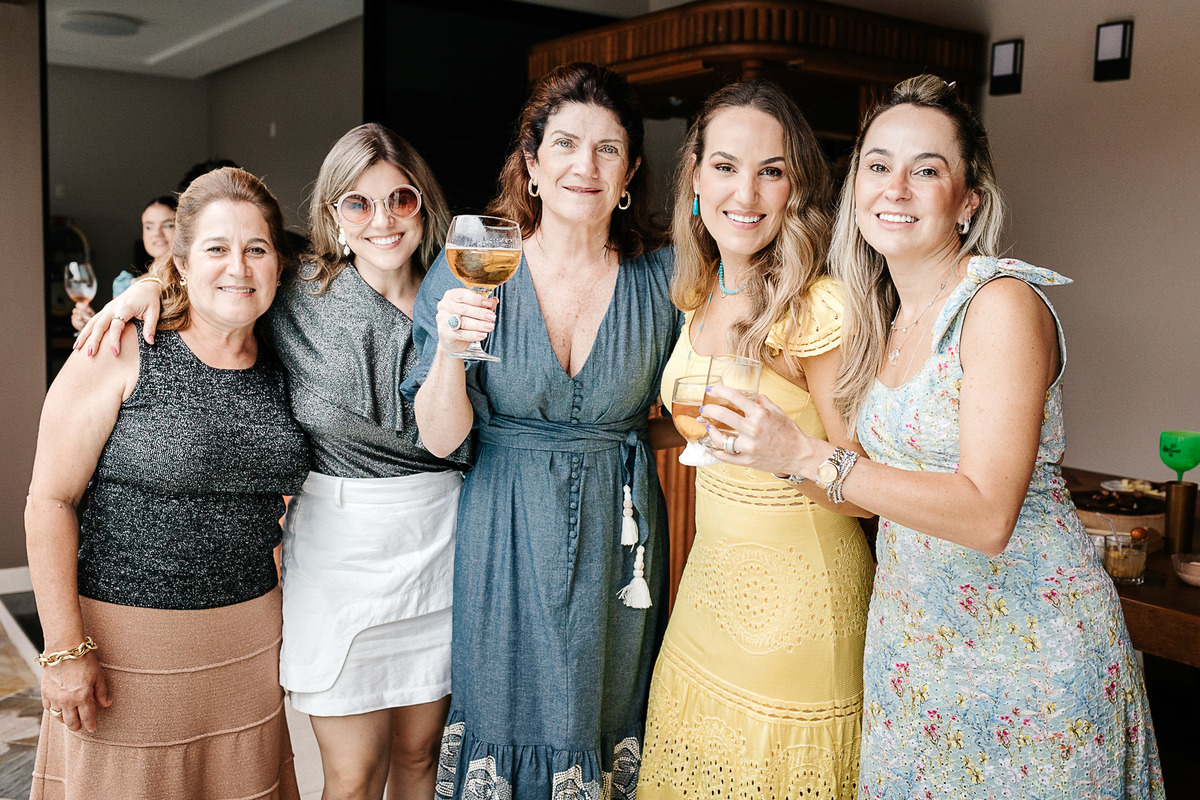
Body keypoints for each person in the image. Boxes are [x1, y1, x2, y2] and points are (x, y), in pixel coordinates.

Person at [700, 75, 1164, 798]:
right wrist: (780, 458)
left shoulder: (1000, 304)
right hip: (916, 654)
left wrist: (809, 454)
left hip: (1030, 659)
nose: (895, 189)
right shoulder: (882, 317)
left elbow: (987, 515)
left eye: (926, 170)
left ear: (968, 199)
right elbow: (875, 491)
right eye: (878, 165)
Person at [76, 124, 465, 800]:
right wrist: (145, 287)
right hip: (343, 554)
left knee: (422, 756)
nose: (382, 220)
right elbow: (221, 264)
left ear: (424, 204)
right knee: (351, 776)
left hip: (445, 539)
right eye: (358, 202)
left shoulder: (461, 285)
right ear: (333, 214)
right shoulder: (298, 288)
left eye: (400, 199)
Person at [403, 61, 677, 797]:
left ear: (630, 173)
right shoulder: (471, 270)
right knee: (503, 710)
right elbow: (439, 438)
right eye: (565, 144)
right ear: (530, 164)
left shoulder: (667, 279)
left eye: (608, 149)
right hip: (504, 529)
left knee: (605, 711)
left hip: (620, 539)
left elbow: (699, 401)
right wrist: (450, 354)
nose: (585, 166)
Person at [27, 167, 310, 799]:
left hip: (249, 642)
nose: (238, 267)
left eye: (256, 248)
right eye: (216, 248)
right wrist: (65, 648)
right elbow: (49, 501)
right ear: (179, 263)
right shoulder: (122, 347)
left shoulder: (288, 354)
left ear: (278, 264)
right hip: (126, 646)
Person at [636, 81, 874, 799]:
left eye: (771, 171)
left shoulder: (818, 306)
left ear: (795, 188)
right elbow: (703, 423)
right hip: (705, 599)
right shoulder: (700, 289)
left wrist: (788, 457)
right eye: (725, 167)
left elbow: (866, 490)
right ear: (696, 178)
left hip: (802, 614)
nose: (746, 193)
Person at [70, 195, 177, 331]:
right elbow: (118, 332)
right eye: (149, 227)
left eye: (168, 225)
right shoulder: (126, 284)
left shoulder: (190, 280)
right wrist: (89, 323)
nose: (157, 233)